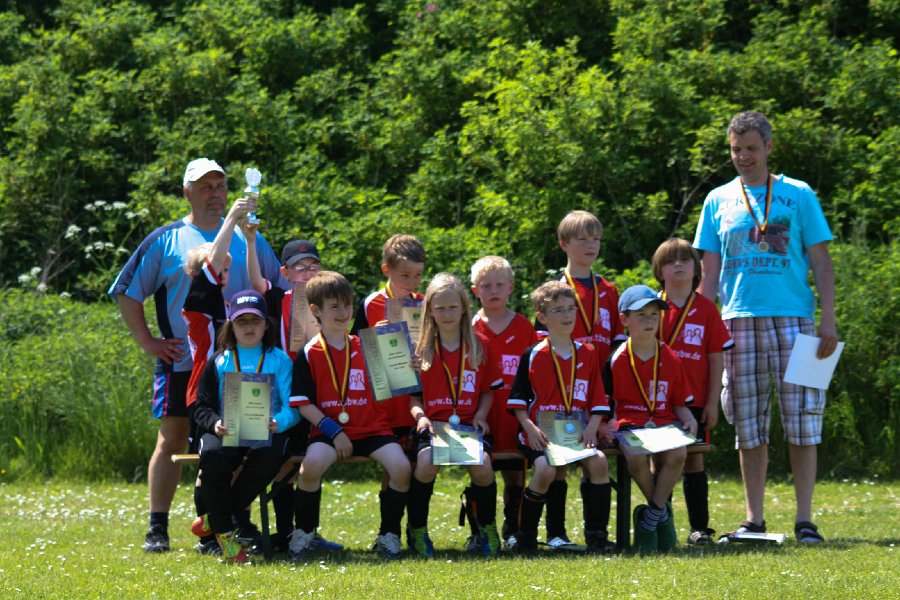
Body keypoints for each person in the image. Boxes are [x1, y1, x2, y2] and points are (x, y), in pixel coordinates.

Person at [108, 158, 285, 552]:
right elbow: (126, 291)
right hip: (183, 361)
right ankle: (158, 526)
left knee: (234, 441)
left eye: (220, 185)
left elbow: (274, 287)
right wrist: (149, 342)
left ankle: (227, 523)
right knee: (172, 439)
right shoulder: (166, 239)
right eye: (205, 186)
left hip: (237, 366)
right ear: (187, 191)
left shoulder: (249, 237)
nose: (214, 193)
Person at [693, 111, 837, 543]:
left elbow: (822, 262)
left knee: (804, 419)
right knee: (747, 423)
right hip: (736, 321)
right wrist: (700, 329)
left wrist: (828, 318)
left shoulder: (799, 193)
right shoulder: (717, 199)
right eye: (736, 149)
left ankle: (805, 519)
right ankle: (753, 519)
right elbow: (708, 274)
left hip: (799, 322)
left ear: (769, 147)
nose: (744, 157)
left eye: (752, 148)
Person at [289, 271, 411, 560]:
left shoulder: (366, 345)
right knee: (310, 467)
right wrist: (334, 432)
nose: (344, 312)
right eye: (335, 307)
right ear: (316, 310)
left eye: (347, 305)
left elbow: (399, 380)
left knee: (401, 467)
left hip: (372, 429)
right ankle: (304, 534)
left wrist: (404, 356)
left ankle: (389, 536)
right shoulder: (310, 352)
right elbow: (303, 404)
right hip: (329, 432)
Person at [535, 210, 626, 548]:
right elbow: (541, 352)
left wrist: (606, 405)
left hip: (597, 393)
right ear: (564, 244)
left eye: (596, 238)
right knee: (558, 464)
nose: (591, 245)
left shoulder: (609, 290)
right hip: (561, 394)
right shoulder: (554, 290)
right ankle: (556, 533)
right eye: (583, 239)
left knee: (594, 461)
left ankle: (596, 535)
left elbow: (617, 349)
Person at [245, 236, 342, 554]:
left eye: (314, 266)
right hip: (283, 393)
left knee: (311, 461)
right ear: (285, 272)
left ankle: (307, 532)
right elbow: (256, 281)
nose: (308, 272)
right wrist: (250, 239)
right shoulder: (277, 297)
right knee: (284, 464)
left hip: (317, 393)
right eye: (300, 267)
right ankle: (287, 532)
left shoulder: (327, 304)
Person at [191, 290, 300, 562]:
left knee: (272, 455)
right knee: (212, 455)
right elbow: (201, 407)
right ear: (231, 326)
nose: (249, 327)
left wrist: (278, 422)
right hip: (227, 430)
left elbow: (294, 407)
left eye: (255, 321)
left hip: (267, 431)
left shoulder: (279, 359)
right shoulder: (219, 360)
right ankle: (226, 536)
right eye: (242, 321)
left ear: (266, 325)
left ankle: (216, 519)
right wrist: (215, 423)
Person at [507, 281, 613, 554]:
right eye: (558, 310)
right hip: (540, 432)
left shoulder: (588, 353)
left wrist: (592, 427)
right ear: (542, 317)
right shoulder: (533, 355)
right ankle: (526, 538)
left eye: (570, 309)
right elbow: (518, 401)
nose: (567, 315)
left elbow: (597, 399)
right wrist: (529, 428)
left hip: (577, 431)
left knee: (599, 462)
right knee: (546, 468)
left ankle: (598, 538)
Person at [407, 273, 502, 558]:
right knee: (426, 462)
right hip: (433, 426)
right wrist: (421, 417)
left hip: (469, 427)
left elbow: (487, 391)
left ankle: (487, 527)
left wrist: (481, 415)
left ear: (463, 308)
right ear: (429, 311)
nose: (447, 314)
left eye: (452, 307)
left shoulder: (480, 345)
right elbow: (413, 398)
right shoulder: (419, 350)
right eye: (440, 308)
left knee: (483, 465)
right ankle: (417, 529)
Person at [652, 238, 734, 544]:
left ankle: (700, 528)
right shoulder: (650, 308)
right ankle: (662, 526)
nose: (677, 265)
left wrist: (712, 402)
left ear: (697, 268)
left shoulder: (707, 309)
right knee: (660, 461)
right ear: (659, 270)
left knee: (694, 460)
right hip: (657, 400)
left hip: (697, 399)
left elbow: (716, 358)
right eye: (669, 261)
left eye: (684, 260)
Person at [607, 284, 698, 554]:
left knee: (679, 453)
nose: (649, 321)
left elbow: (679, 403)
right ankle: (661, 515)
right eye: (641, 315)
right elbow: (608, 404)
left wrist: (689, 418)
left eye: (654, 315)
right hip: (630, 424)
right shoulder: (617, 359)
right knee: (636, 457)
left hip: (663, 424)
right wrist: (605, 425)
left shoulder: (671, 358)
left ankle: (650, 518)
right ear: (624, 320)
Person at [469, 256, 538, 548]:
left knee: (514, 475)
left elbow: (535, 373)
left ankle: (512, 529)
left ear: (511, 287)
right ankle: (479, 531)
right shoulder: (468, 327)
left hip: (512, 417)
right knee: (479, 472)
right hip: (479, 415)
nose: (493, 290)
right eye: (486, 285)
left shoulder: (523, 327)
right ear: (475, 290)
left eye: (499, 284)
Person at [351, 233, 426, 438]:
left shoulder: (425, 304)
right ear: (386, 270)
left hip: (416, 402)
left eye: (418, 275)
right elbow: (352, 349)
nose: (412, 282)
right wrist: (372, 338)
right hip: (382, 402)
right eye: (405, 275)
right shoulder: (370, 304)